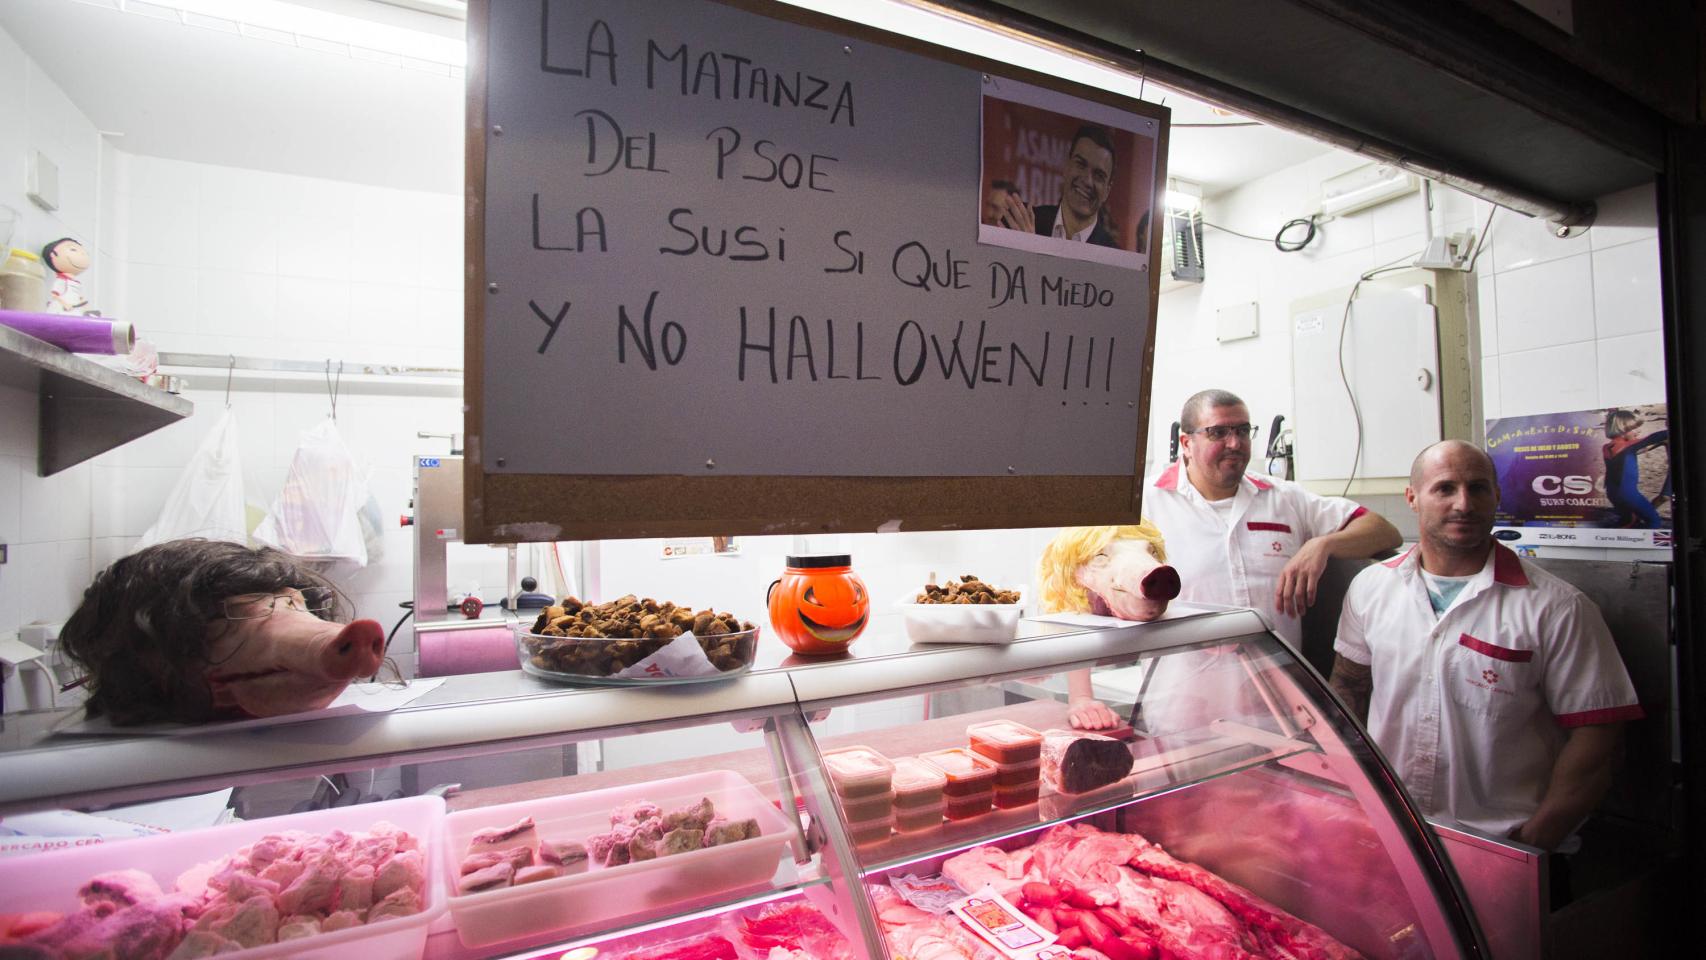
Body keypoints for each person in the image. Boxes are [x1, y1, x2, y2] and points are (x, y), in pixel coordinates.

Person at [1330, 440, 1641, 858]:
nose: (1463, 503)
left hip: (1500, 844)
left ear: (1496, 496)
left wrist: (1533, 841)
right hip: (1397, 830)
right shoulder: (1371, 587)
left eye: (1478, 488)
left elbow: (1599, 737)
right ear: (1413, 499)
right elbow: (1347, 691)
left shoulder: (1557, 607)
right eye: (1444, 489)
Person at [1145, 389, 1402, 649]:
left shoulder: (1284, 498)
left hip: (1276, 683)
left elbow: (1383, 530)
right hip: (1185, 685)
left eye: (1243, 431)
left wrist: (1322, 545)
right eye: (1219, 432)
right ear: (1186, 443)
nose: (1234, 443)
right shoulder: (1146, 504)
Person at [998, 124, 1120, 248]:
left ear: (1107, 191)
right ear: (1066, 167)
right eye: (1080, 165)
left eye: (1098, 175)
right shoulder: (1018, 225)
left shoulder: (1115, 256)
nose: (1087, 181)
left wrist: (1031, 249)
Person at [1601, 408, 1669, 528]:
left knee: (1628, 520)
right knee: (1653, 521)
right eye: (1634, 428)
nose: (1638, 431)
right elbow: (1655, 437)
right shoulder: (1630, 446)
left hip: (1611, 493)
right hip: (1629, 494)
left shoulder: (1606, 447)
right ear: (1621, 430)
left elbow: (1625, 454)